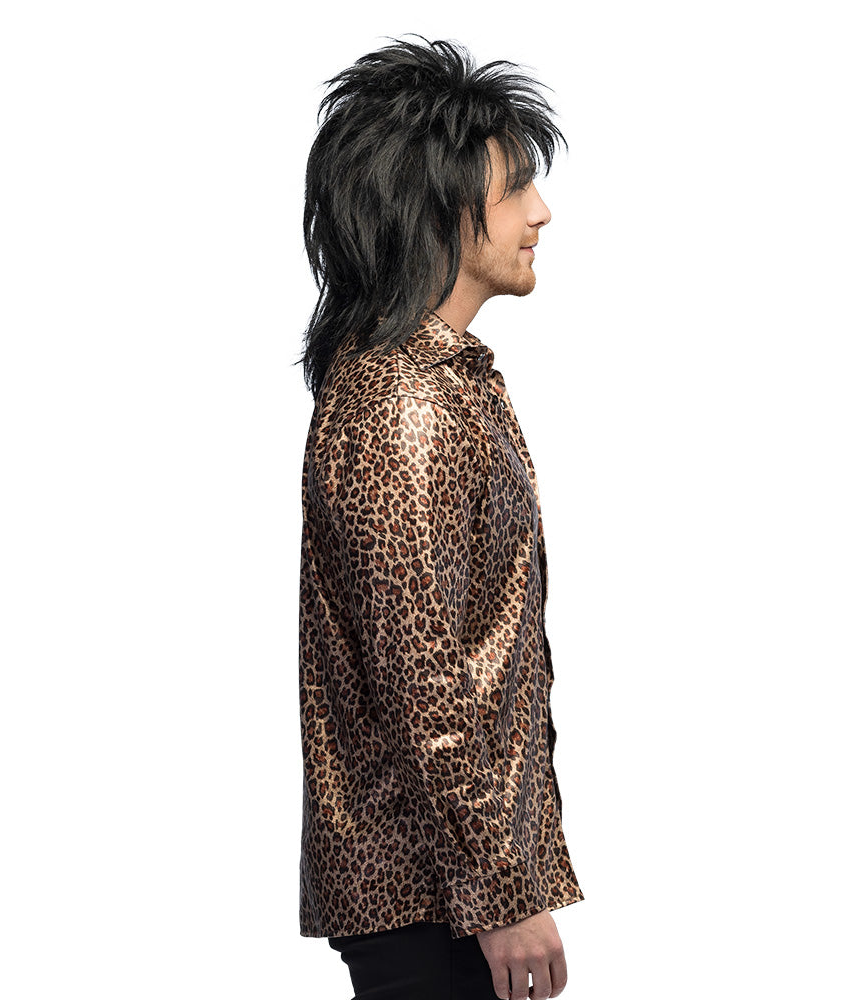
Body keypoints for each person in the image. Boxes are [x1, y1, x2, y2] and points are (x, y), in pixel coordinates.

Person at [295, 36, 584, 1000]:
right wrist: (503, 893)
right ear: (441, 209)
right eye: (516, 188)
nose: (541, 212)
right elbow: (423, 676)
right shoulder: (400, 404)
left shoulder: (440, 382)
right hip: (432, 903)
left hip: (448, 894)